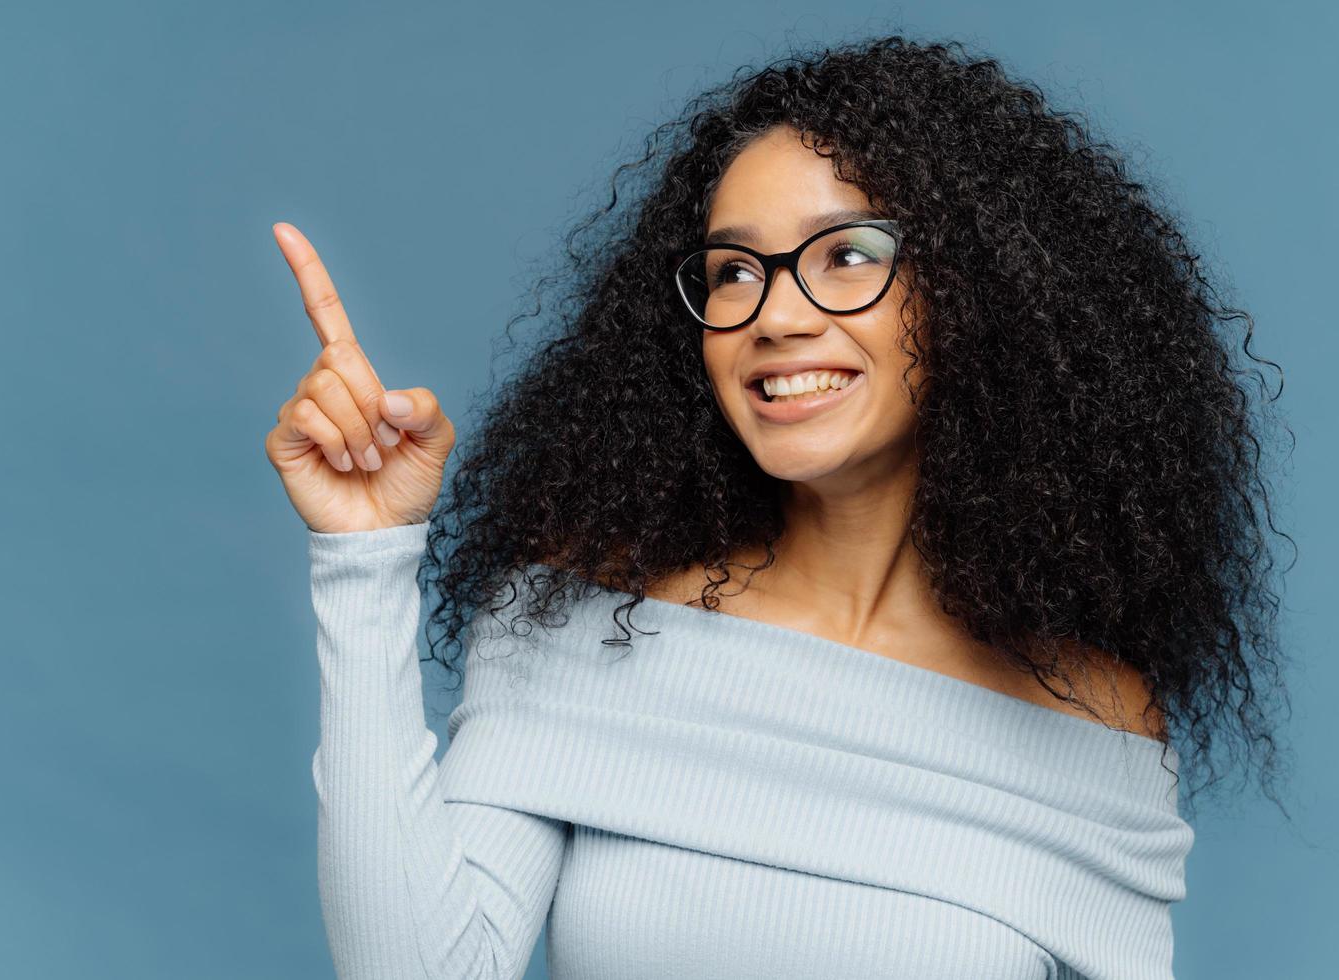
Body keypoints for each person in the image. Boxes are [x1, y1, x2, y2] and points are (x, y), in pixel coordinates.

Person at [264, 36, 1289, 980]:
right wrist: (365, 556)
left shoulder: (1091, 718)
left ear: (977, 292)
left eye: (846, 255)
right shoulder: (580, 618)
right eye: (733, 271)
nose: (776, 314)